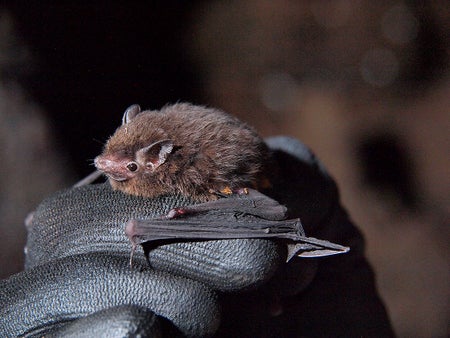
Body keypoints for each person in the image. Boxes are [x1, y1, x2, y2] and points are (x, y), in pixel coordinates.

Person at [0, 136, 394, 337]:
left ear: (156, 160)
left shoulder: (182, 180)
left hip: (230, 194)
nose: (103, 165)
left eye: (129, 165)